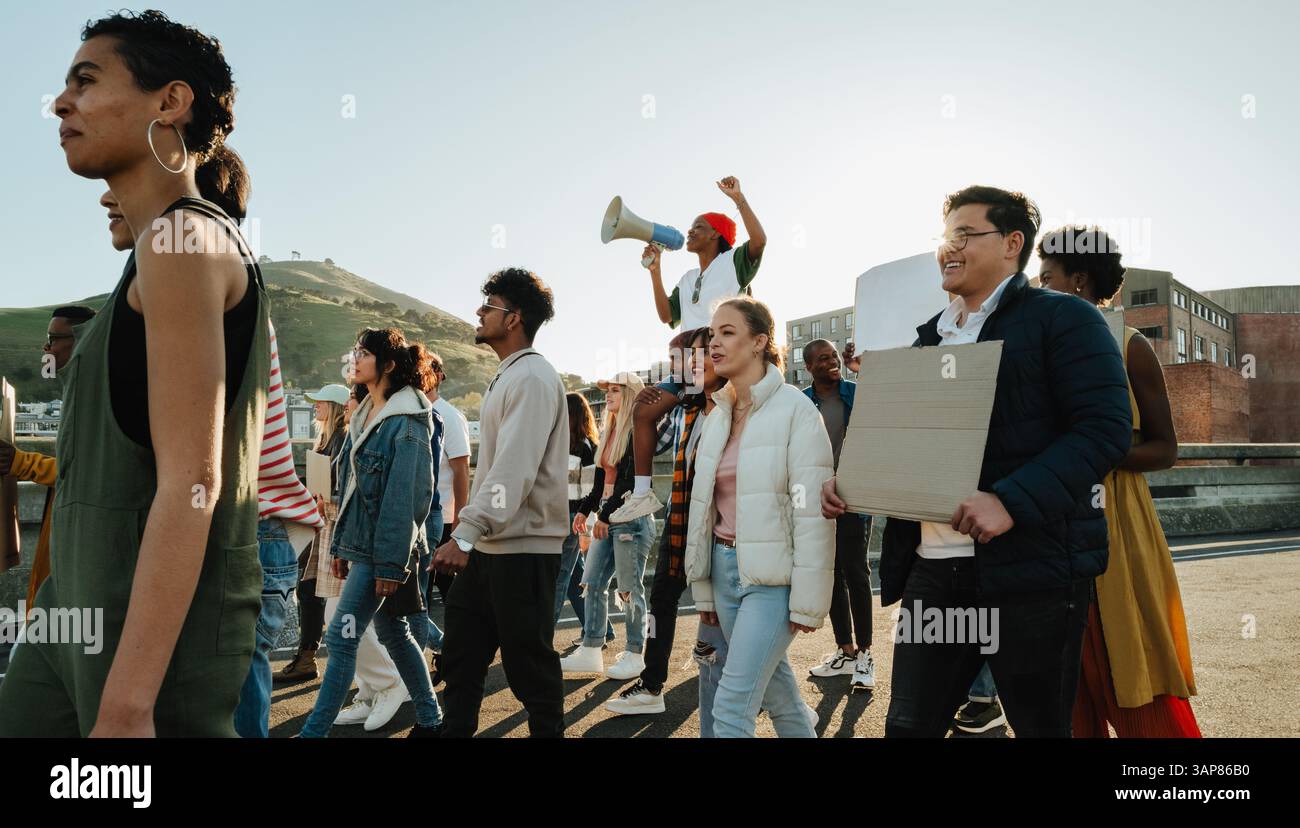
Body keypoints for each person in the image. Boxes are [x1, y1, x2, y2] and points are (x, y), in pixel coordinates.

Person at [0, 11, 271, 737]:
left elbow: (195, 481)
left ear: (169, 102)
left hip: (144, 638)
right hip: (73, 612)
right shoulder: (152, 253)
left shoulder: (185, 239)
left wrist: (128, 705)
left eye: (85, 82)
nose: (61, 103)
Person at [823, 186, 1133, 738]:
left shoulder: (1063, 319)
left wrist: (1010, 502)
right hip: (933, 570)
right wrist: (851, 483)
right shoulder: (923, 341)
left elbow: (1103, 430)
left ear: (1013, 243)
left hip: (1032, 573)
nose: (950, 248)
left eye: (967, 235)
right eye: (946, 237)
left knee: (1042, 728)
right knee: (909, 728)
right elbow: (908, 447)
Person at [1037, 226, 1200, 738]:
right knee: (1060, 686)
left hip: (1117, 523)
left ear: (1079, 279)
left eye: (1047, 278)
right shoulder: (1037, 348)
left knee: (1126, 660)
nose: (1037, 290)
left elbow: (1165, 448)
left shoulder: (1130, 346)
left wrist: (1094, 451)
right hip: (1047, 518)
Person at [685, 296, 834, 738]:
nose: (714, 343)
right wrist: (707, 590)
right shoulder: (718, 415)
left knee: (731, 706)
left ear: (759, 342)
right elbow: (704, 512)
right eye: (712, 334)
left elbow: (812, 512)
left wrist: (808, 597)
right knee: (781, 698)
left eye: (727, 333)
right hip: (724, 570)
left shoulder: (796, 409)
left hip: (772, 581)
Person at [432, 267, 569, 738]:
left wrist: (464, 533)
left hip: (524, 550)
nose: (478, 310)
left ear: (513, 319)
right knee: (461, 661)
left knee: (530, 670)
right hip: (490, 549)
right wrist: (470, 539)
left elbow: (513, 470)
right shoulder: (510, 374)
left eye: (488, 305)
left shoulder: (532, 377)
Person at [298, 328, 442, 738]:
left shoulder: (409, 422)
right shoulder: (364, 415)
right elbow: (353, 494)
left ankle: (313, 732)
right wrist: (342, 546)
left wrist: (391, 564)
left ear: (389, 365)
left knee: (342, 638)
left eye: (364, 353)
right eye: (355, 350)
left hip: (385, 553)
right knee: (395, 632)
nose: (354, 358)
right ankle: (431, 720)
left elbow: (408, 498)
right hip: (362, 548)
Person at [613, 176, 767, 524]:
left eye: (699, 227)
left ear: (717, 234)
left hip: (717, 359)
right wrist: (655, 271)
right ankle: (641, 492)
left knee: (714, 428)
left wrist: (739, 200)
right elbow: (667, 316)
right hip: (686, 361)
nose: (690, 231)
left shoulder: (733, 264)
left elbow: (760, 241)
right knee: (643, 408)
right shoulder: (686, 279)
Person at [604, 327, 732, 726]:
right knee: (662, 597)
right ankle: (652, 684)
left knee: (728, 612)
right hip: (681, 515)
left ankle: (774, 698)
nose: (685, 366)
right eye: (678, 360)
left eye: (695, 356)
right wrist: (642, 405)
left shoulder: (733, 406)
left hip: (722, 521)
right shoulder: (683, 410)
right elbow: (642, 442)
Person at [0, 306, 96, 613]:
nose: (46, 348)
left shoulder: (96, 399)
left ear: (81, 339)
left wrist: (22, 463)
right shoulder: (80, 392)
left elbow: (89, 472)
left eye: (53, 338)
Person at [560, 372, 652, 679]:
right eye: (608, 390)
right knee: (592, 583)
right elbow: (601, 484)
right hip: (609, 519)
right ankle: (590, 651)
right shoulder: (609, 430)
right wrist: (585, 511)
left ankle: (636, 654)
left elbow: (630, 482)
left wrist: (603, 515)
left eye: (615, 391)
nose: (609, 395)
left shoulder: (638, 431)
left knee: (629, 589)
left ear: (629, 396)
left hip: (632, 521)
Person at [800, 339, 875, 691]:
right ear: (808, 367)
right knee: (831, 574)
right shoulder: (802, 402)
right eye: (822, 358)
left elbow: (884, 422)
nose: (831, 362)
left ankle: (865, 655)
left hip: (855, 494)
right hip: (818, 498)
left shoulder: (858, 393)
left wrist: (867, 368)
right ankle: (845, 650)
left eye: (833, 356)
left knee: (857, 572)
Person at [275, 383, 351, 685]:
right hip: (319, 519)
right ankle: (307, 656)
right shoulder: (328, 438)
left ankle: (312, 658)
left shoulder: (342, 439)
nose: (315, 406)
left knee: (318, 591)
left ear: (333, 407)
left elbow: (342, 484)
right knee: (308, 588)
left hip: (329, 521)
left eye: (320, 402)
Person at [554, 393, 615, 646]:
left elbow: (592, 490)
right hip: (566, 517)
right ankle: (603, 629)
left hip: (573, 519)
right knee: (573, 578)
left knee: (560, 578)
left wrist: (585, 528)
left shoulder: (586, 448)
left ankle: (543, 635)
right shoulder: (567, 446)